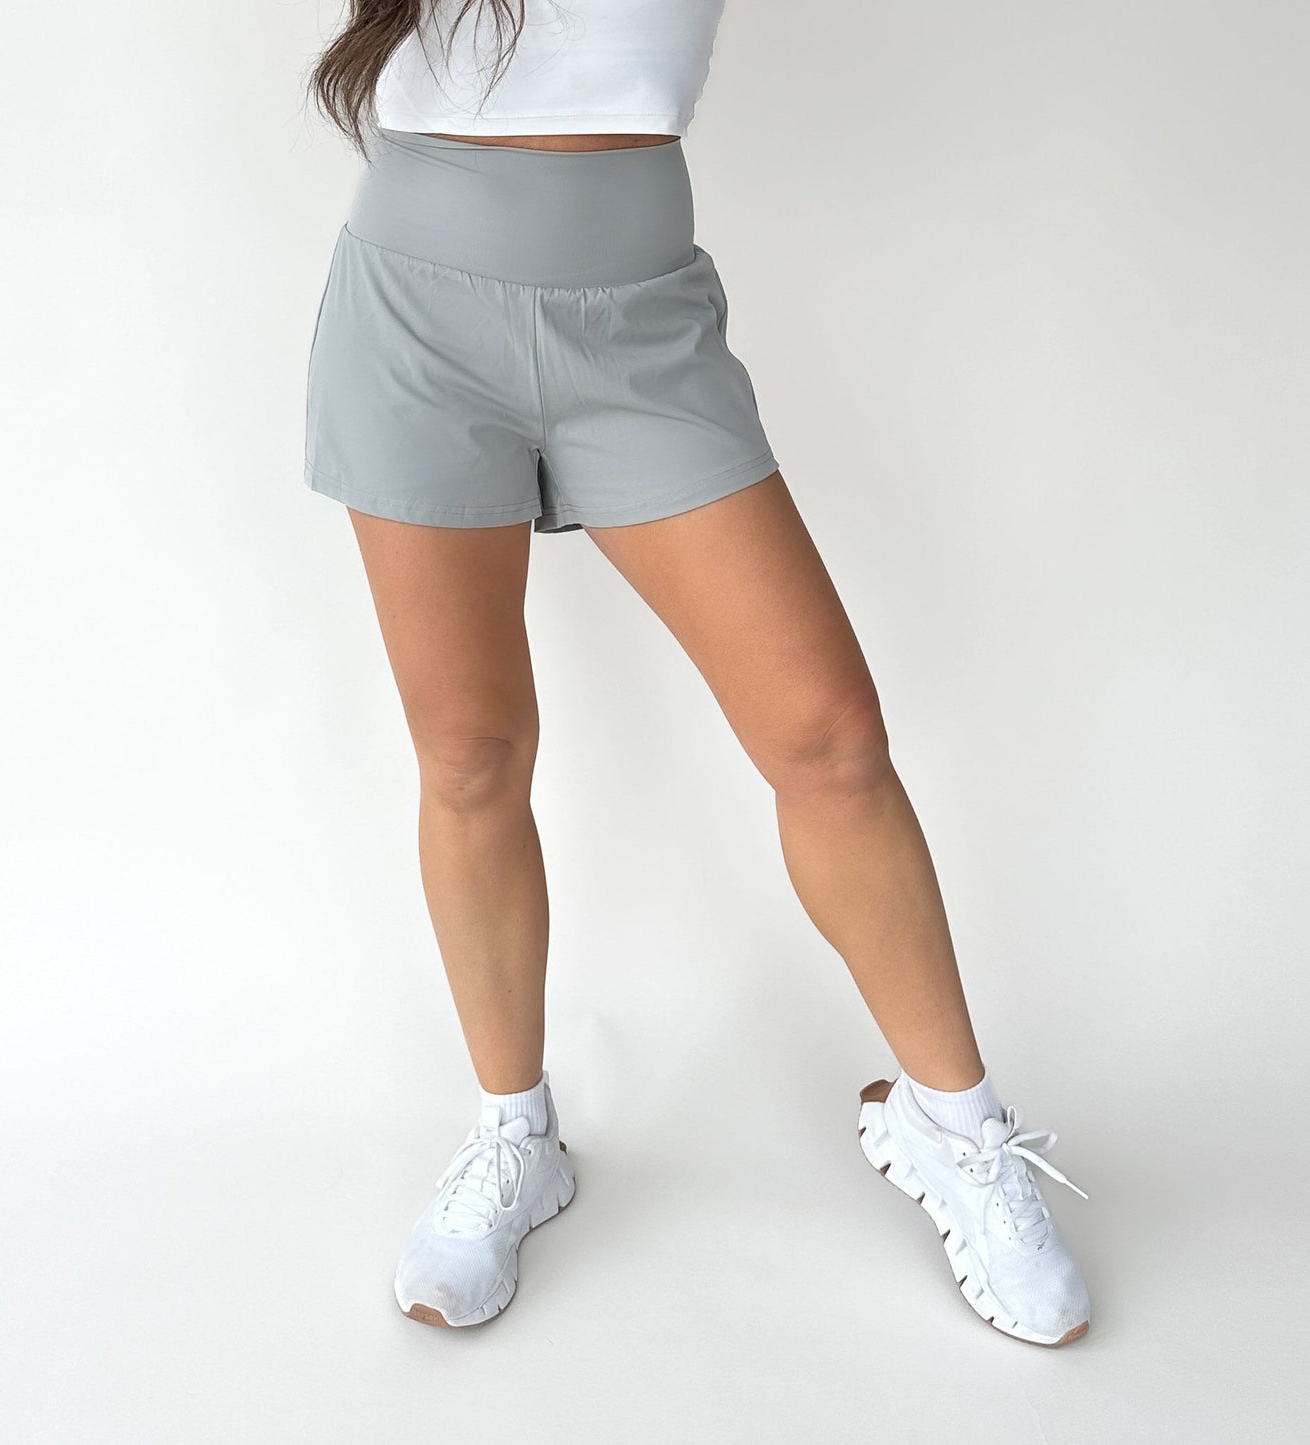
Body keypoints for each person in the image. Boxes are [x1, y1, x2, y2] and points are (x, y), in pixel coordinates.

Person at [301, 0, 1091, 1346]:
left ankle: (953, 1126)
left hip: (640, 329)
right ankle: (515, 1133)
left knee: (828, 739)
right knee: (470, 752)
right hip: (413, 322)